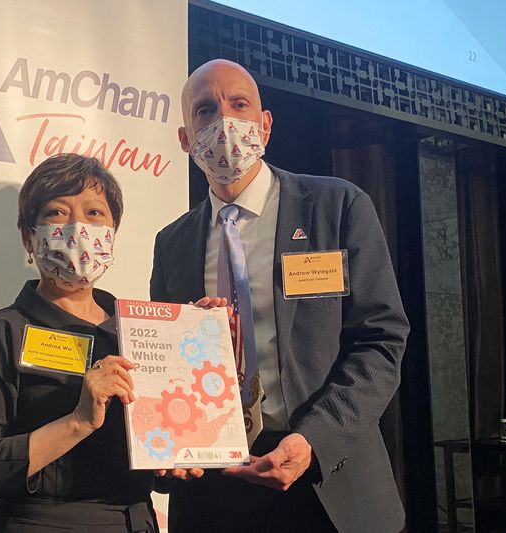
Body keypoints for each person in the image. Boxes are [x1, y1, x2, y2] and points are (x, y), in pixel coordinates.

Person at [150, 59, 410, 532]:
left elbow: (382, 341)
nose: (224, 120)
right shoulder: (172, 243)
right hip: (216, 493)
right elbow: (171, 374)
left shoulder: (336, 206)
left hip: (329, 480)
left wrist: (314, 440)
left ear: (264, 125)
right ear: (186, 139)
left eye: (239, 104)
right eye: (205, 110)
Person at [0, 153, 156, 532]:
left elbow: (159, 458)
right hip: (45, 522)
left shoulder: (138, 332)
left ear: (112, 233)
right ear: (28, 236)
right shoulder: (0, 333)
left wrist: (204, 342)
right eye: (57, 213)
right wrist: (76, 423)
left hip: (136, 521)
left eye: (94, 214)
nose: (78, 228)